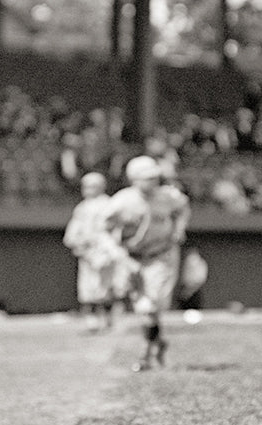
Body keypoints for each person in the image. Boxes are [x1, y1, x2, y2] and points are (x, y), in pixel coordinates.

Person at [105, 154, 191, 371]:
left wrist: (179, 228)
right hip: (132, 258)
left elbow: (183, 208)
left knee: (150, 304)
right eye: (146, 178)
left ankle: (145, 355)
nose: (152, 182)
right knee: (143, 308)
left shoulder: (168, 196)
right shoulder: (122, 201)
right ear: (134, 179)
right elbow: (103, 230)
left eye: (154, 177)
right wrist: (117, 254)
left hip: (161, 256)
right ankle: (158, 343)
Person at [62, 171, 123, 332]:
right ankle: (92, 321)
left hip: (104, 251)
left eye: (92, 186)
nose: (88, 189)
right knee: (87, 288)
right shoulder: (82, 207)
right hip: (87, 252)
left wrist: (110, 250)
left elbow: (116, 231)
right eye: (86, 186)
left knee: (105, 287)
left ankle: (109, 320)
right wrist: (79, 245)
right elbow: (72, 234)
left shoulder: (110, 205)